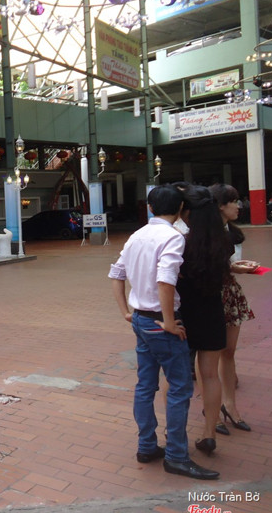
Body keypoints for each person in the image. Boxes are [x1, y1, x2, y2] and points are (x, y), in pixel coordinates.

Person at [109, 184, 218, 480]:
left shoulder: (137, 235)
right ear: (181, 209)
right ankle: (177, 457)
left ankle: (146, 446)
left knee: (145, 386)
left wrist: (126, 311)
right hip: (160, 322)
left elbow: (116, 274)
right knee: (180, 388)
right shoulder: (173, 237)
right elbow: (166, 280)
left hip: (140, 320)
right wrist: (169, 321)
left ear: (150, 207)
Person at [176, 186, 230, 457]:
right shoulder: (223, 242)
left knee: (176, 377)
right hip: (212, 313)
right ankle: (210, 433)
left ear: (188, 213)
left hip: (183, 317)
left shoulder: (181, 243)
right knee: (210, 375)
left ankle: (174, 432)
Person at [209, 183, 257, 435]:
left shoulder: (230, 231)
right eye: (234, 201)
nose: (238, 206)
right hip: (209, 295)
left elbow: (229, 263)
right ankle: (211, 409)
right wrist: (232, 267)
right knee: (208, 355)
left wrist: (238, 266)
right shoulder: (202, 231)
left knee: (229, 352)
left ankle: (230, 405)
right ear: (220, 205)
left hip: (229, 293)